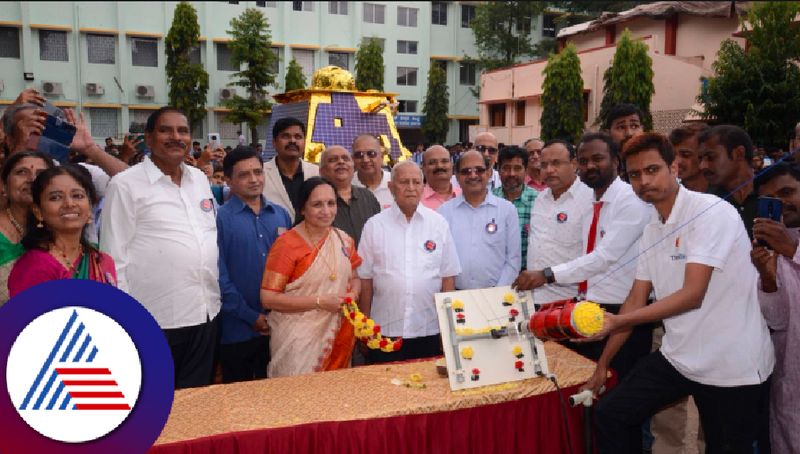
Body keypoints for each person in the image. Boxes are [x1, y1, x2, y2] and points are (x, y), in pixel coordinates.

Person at [582, 132, 774, 454]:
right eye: (634, 175)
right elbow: (634, 299)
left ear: (675, 168)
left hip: (732, 365)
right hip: (680, 357)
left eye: (652, 169)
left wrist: (614, 323)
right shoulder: (652, 229)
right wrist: (603, 363)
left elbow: (692, 294)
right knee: (611, 413)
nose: (643, 181)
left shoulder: (711, 212)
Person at [101, 106, 220, 389]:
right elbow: (111, 258)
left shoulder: (200, 180)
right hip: (154, 320)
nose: (175, 137)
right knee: (153, 404)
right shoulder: (125, 185)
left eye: (182, 131)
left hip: (206, 313)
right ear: (149, 138)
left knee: (197, 403)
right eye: (165, 130)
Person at [514, 133, 652, 379]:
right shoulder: (584, 198)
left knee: (620, 386)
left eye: (598, 159)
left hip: (623, 309)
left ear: (616, 161)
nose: (590, 166)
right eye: (544, 165)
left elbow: (603, 257)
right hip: (585, 307)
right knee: (586, 383)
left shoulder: (628, 200)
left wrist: (546, 275)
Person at [358, 161, 460, 363]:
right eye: (404, 182)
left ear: (424, 186)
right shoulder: (374, 225)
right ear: (391, 187)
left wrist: (446, 328)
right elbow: (365, 281)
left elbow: (448, 278)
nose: (411, 188)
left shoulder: (438, 224)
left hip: (428, 328)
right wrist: (364, 326)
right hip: (384, 329)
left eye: (416, 182)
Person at [260, 177, 361, 377]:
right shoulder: (287, 244)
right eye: (317, 205)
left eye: (331, 203)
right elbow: (268, 298)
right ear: (302, 209)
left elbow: (355, 277)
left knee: (334, 399)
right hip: (298, 341)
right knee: (299, 401)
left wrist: (353, 295)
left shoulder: (343, 240)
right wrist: (320, 301)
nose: (326, 211)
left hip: (338, 332)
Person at [217, 146, 291, 383]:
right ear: (228, 180)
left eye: (258, 172)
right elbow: (219, 276)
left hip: (278, 326)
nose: (254, 179)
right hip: (236, 330)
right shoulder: (219, 219)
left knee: (274, 398)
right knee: (237, 402)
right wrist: (251, 317)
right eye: (244, 174)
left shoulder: (281, 215)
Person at [751, 163, 800, 453]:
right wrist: (768, 277)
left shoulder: (786, 247)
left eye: (788, 192)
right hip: (789, 379)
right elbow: (778, 321)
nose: (783, 203)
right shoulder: (766, 248)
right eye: (772, 199)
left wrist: (793, 252)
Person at [9, 165, 116, 296]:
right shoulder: (35, 265)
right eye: (56, 198)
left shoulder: (102, 262)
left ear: (89, 207)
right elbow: (25, 315)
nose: (69, 204)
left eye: (77, 195)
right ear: (38, 212)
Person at [438, 150, 520, 289]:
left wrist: (496, 294)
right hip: (456, 297)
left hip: (496, 296)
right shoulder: (444, 212)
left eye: (479, 170)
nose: (473, 175)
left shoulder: (507, 210)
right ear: (457, 177)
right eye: (466, 171)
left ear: (488, 173)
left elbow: (513, 260)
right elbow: (439, 260)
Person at [524, 140, 594, 304]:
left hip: (570, 300)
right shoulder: (540, 198)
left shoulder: (590, 200)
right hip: (534, 299)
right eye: (544, 165)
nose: (549, 170)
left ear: (574, 163)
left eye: (556, 163)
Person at [0, 151, 56, 304]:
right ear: (4, 185)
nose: (32, 179)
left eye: (41, 173)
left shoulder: (61, 229)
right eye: (21, 172)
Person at [698, 125, 758, 237]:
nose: (702, 166)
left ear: (739, 154)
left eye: (711, 157)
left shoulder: (774, 194)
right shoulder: (706, 203)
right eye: (700, 159)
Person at [318, 145, 380, 247]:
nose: (341, 162)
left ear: (353, 167)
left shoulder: (367, 197)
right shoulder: (314, 199)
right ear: (322, 171)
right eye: (333, 160)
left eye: (345, 158)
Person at [263, 117, 319, 221]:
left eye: (298, 137)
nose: (292, 141)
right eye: (286, 136)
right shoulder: (260, 174)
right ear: (274, 143)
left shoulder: (317, 173)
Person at [492, 146, 537, 271]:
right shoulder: (488, 201)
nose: (512, 174)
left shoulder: (538, 202)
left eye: (517, 168)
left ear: (526, 170)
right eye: (506, 168)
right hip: (494, 275)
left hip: (528, 276)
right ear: (498, 170)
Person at [352, 134, 393, 210]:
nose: (365, 160)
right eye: (359, 155)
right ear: (353, 159)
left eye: (371, 154)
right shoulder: (347, 186)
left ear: (382, 157)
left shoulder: (397, 183)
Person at [669, 123, 711, 193]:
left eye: (685, 155)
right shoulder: (668, 193)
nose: (676, 161)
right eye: (673, 154)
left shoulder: (725, 195)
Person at [421, 145, 461, 210]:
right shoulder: (415, 200)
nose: (439, 166)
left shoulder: (465, 196)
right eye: (432, 163)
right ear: (423, 168)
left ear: (451, 165)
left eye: (444, 161)